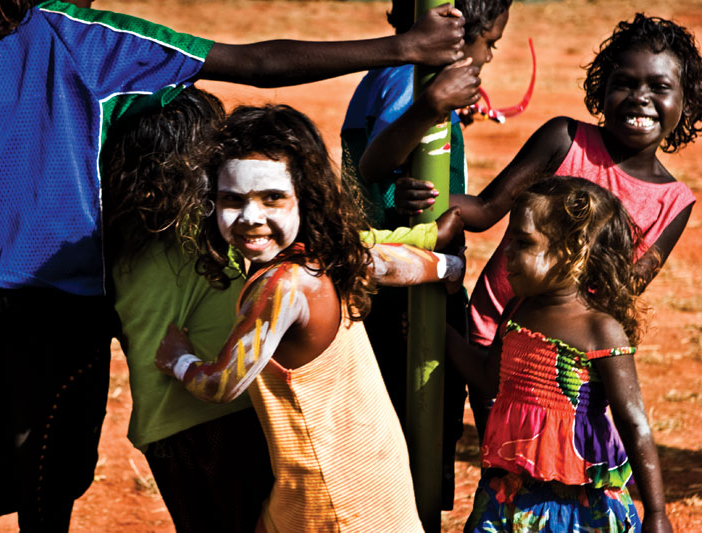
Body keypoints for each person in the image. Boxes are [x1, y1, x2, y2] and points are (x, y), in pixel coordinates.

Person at [0, 0, 471, 530]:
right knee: (47, 496)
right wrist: (406, 49)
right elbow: (257, 62)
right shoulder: (91, 39)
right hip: (73, 309)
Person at [104, 90, 464, 532]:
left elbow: (222, 384)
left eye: (272, 198)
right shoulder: (324, 256)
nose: (252, 217)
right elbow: (387, 261)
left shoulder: (281, 284)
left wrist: (177, 358)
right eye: (233, 200)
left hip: (325, 498)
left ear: (304, 198)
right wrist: (447, 267)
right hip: (374, 477)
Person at [393, 13, 701, 352]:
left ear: (687, 105)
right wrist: (426, 196)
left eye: (659, 87)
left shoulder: (674, 203)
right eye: (625, 83)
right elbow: (483, 210)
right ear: (602, 89)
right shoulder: (564, 139)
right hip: (489, 331)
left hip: (561, 359)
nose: (639, 97)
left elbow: (620, 294)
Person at [340, 0, 512, 505]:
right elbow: (374, 167)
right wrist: (432, 105)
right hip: (406, 282)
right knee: (414, 428)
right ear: (461, 38)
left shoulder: (389, 75)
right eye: (491, 43)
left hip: (389, 274)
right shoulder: (410, 83)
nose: (489, 57)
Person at [446, 176, 671, 532]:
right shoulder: (517, 310)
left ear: (573, 250)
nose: (506, 253)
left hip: (579, 505)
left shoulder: (600, 330)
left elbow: (633, 422)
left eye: (522, 242)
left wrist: (657, 512)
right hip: (509, 495)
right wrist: (438, 332)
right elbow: (488, 378)